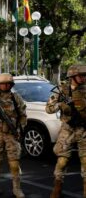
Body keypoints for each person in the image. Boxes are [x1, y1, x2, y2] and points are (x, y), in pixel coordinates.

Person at [46, 64, 86, 198]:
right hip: (67, 129)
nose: (84, 78)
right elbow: (49, 109)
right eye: (81, 75)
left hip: (84, 129)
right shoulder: (61, 90)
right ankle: (57, 188)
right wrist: (58, 104)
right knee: (62, 161)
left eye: (85, 75)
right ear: (72, 76)